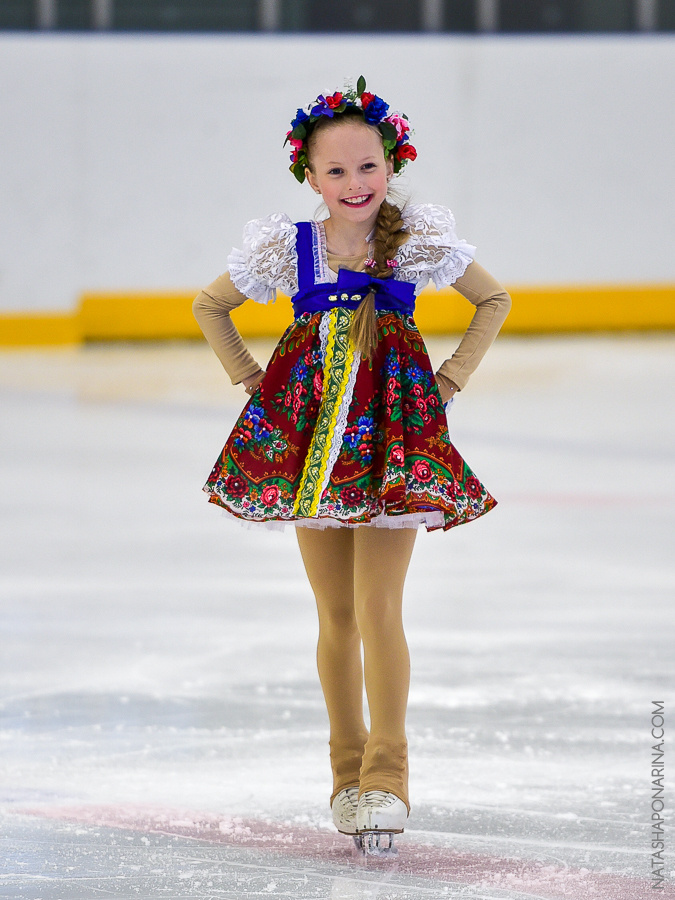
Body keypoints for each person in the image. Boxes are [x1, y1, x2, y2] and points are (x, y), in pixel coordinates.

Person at [193, 76, 511, 849]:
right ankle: (345, 775)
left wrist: (448, 382)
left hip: (390, 448)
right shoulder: (289, 247)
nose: (354, 183)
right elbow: (209, 305)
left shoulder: (415, 242)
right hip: (310, 456)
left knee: (378, 610)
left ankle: (387, 775)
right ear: (309, 177)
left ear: (390, 163)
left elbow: (492, 299)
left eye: (366, 166)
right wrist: (251, 380)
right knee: (335, 615)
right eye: (334, 171)